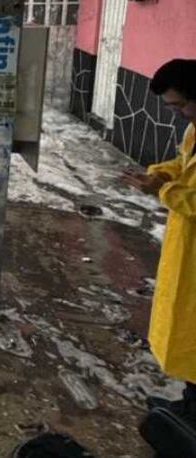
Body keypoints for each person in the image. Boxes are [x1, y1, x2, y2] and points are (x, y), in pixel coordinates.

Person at [123, 59, 196, 421]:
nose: (179, 114)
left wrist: (163, 190)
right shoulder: (194, 131)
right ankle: (188, 404)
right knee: (188, 331)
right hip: (187, 245)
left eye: (181, 105)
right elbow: (184, 166)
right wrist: (158, 173)